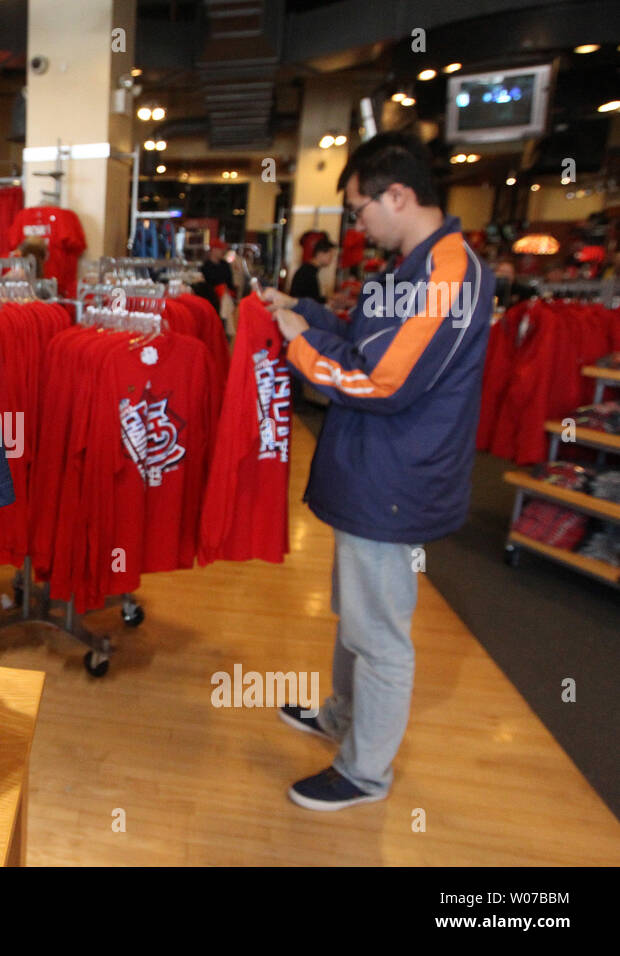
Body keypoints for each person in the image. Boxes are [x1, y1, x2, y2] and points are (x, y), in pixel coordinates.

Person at [261, 130, 492, 811]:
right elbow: (365, 343)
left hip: (397, 478)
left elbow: (384, 381)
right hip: (374, 471)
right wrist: (302, 314)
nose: (358, 224)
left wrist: (300, 348)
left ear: (399, 195)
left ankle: (365, 773)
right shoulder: (417, 266)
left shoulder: (449, 272)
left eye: (361, 208)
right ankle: (340, 715)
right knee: (355, 613)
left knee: (380, 632)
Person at [289, 237, 336, 304]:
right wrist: (328, 300)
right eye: (330, 255)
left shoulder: (309, 270)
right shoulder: (307, 272)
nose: (331, 259)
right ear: (320, 254)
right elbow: (312, 300)